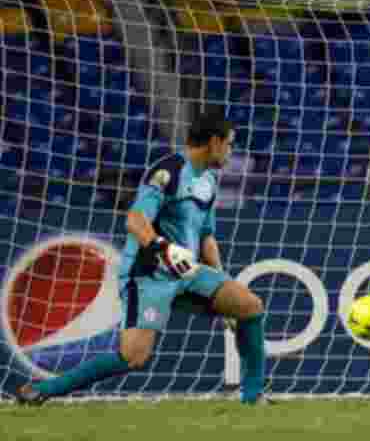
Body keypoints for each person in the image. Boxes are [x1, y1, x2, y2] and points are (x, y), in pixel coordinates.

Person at [15, 110, 269, 405]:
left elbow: (206, 237)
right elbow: (135, 220)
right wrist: (162, 247)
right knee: (133, 357)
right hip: (149, 275)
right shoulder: (168, 171)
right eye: (230, 143)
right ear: (213, 142)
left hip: (189, 273)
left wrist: (223, 284)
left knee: (249, 305)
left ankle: (253, 398)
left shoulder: (209, 181)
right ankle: (43, 390)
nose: (231, 151)